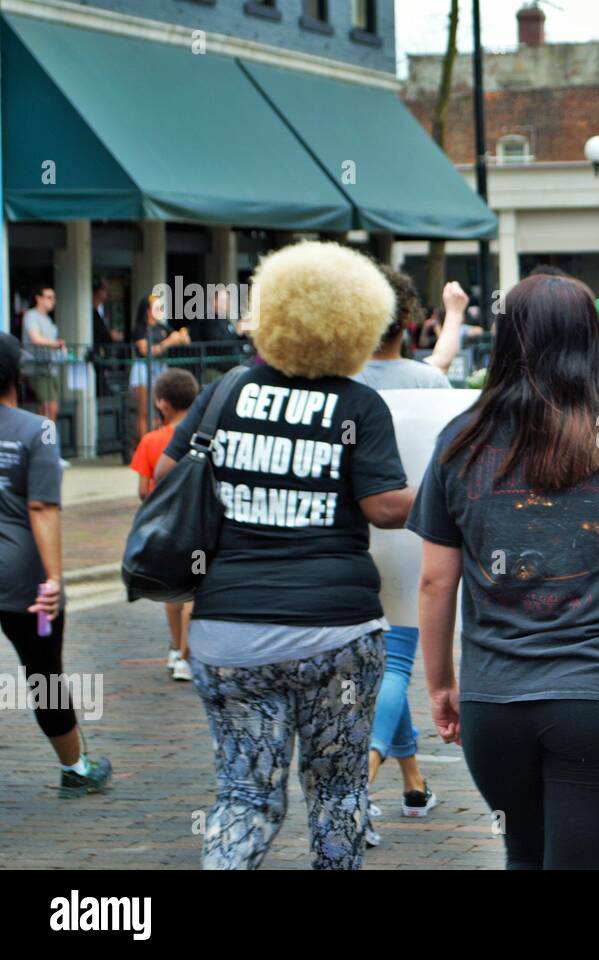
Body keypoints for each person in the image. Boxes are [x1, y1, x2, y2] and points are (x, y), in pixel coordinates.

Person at [408, 273, 599, 870]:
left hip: (494, 698)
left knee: (523, 855)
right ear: (591, 343)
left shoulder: (460, 442)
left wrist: (441, 685)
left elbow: (434, 582)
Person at [153, 241, 414, 870]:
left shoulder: (223, 394)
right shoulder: (359, 406)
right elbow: (386, 509)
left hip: (228, 630)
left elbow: (166, 480)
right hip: (334, 631)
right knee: (337, 794)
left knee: (245, 795)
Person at [348, 265, 447, 847]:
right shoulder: (430, 382)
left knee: (388, 660)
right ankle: (359, 788)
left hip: (356, 532)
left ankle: (413, 783)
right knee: (398, 663)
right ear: (408, 322)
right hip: (414, 529)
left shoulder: (342, 380)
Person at [0, 333, 113, 797]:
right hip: (21, 575)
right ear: (18, 374)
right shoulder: (36, 429)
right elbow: (43, 508)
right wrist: (53, 579)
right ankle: (75, 769)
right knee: (44, 673)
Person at [130, 368, 201, 681]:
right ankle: (187, 656)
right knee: (195, 593)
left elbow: (144, 490)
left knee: (172, 591)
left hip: (166, 527)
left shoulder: (151, 440)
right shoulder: (203, 435)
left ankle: (175, 649)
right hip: (198, 523)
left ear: (162, 404)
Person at [130, 295, 189, 450]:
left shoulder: (162, 327)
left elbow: (185, 339)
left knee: (159, 409)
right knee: (144, 410)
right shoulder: (141, 328)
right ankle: (143, 447)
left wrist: (181, 336)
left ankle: (155, 444)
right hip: (143, 369)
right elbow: (145, 351)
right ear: (147, 310)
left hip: (159, 369)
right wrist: (168, 342)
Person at [21, 286, 64, 423]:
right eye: (49, 297)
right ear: (38, 298)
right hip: (38, 368)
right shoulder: (31, 315)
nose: (52, 301)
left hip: (50, 369)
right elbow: (35, 338)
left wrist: (60, 348)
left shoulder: (49, 320)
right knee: (47, 409)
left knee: (51, 409)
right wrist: (55, 344)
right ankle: (45, 442)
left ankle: (47, 441)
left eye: (53, 298)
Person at [420, 281, 472, 374]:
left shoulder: (454, 330)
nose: (433, 318)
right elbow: (423, 344)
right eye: (432, 315)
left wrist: (453, 316)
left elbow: (478, 330)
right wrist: (425, 329)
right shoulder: (431, 330)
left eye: (435, 316)